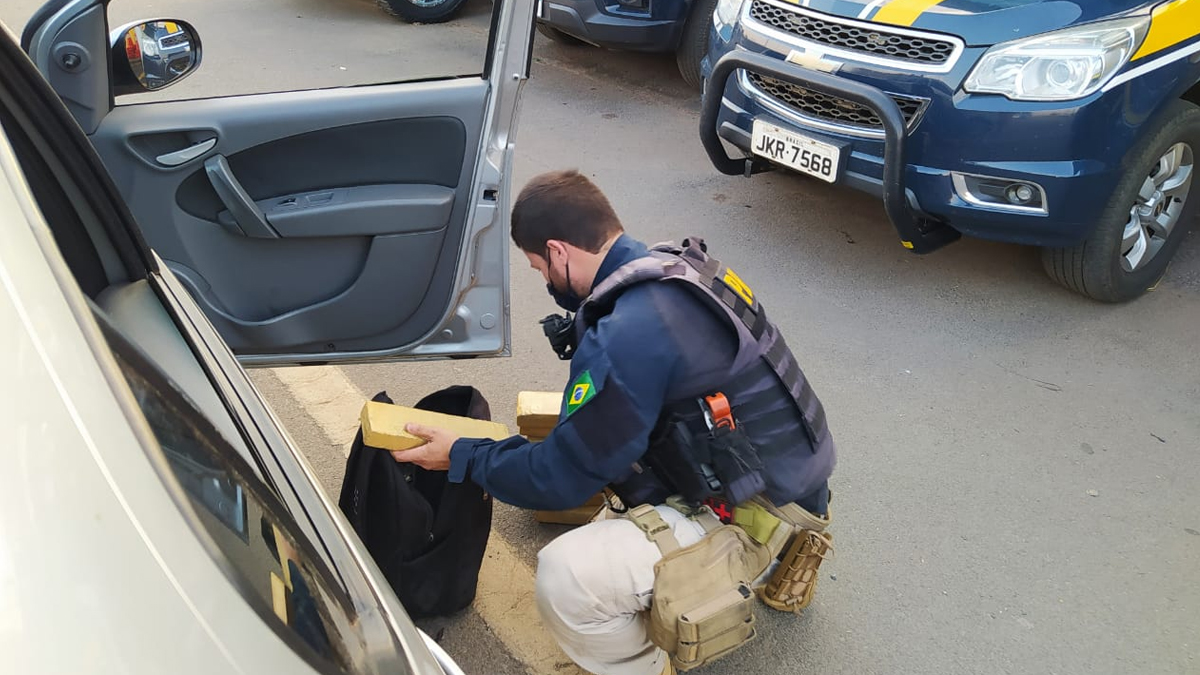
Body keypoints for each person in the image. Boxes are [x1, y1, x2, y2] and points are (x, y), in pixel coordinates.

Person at [392, 169, 836, 675]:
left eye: (539, 267)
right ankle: (795, 550)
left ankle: (641, 664)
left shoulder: (628, 333)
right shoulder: (678, 269)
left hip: (760, 517)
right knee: (615, 495)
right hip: (796, 483)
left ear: (559, 251)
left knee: (567, 577)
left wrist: (462, 454)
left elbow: (558, 479)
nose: (544, 280)